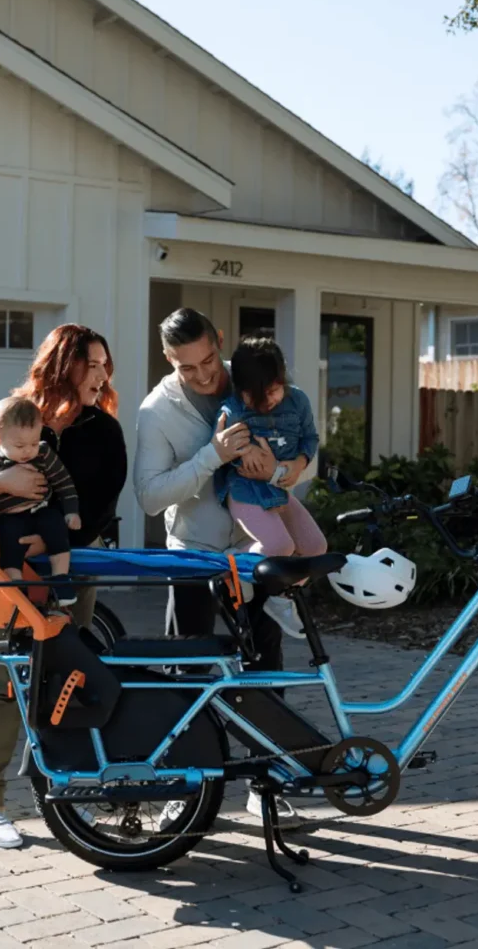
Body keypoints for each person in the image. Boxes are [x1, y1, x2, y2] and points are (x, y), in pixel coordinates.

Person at [0, 324, 127, 849]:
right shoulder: (3, 415)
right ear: (60, 366)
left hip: (66, 572)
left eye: (105, 365)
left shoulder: (102, 429)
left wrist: (43, 546)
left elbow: (98, 506)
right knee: (4, 679)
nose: (101, 375)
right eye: (90, 364)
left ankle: (63, 793)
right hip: (3, 576)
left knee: (65, 681)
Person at [133, 308, 305, 826]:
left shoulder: (254, 375)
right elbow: (147, 496)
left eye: (209, 359)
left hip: (254, 554)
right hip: (194, 556)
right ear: (169, 360)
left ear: (220, 341)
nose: (205, 375)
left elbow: (299, 442)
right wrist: (211, 456)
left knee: (265, 670)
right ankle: (181, 791)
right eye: (188, 368)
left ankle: (266, 786)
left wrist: (291, 469)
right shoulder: (156, 410)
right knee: (186, 676)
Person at [216, 332, 327, 638]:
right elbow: (226, 447)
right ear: (242, 389)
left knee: (315, 547)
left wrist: (298, 464)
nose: (269, 401)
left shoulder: (298, 401)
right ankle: (231, 565)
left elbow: (309, 438)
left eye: (275, 390)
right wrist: (244, 451)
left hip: (277, 489)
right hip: (244, 492)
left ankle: (278, 598)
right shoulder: (233, 410)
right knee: (281, 546)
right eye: (258, 395)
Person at [0, 396, 82, 607]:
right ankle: (15, 588)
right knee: (10, 543)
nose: (28, 450)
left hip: (41, 510)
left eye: (34, 442)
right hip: (9, 516)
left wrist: (71, 512)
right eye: (19, 445)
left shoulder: (44, 453)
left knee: (56, 526)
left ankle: (60, 578)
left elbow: (64, 482)